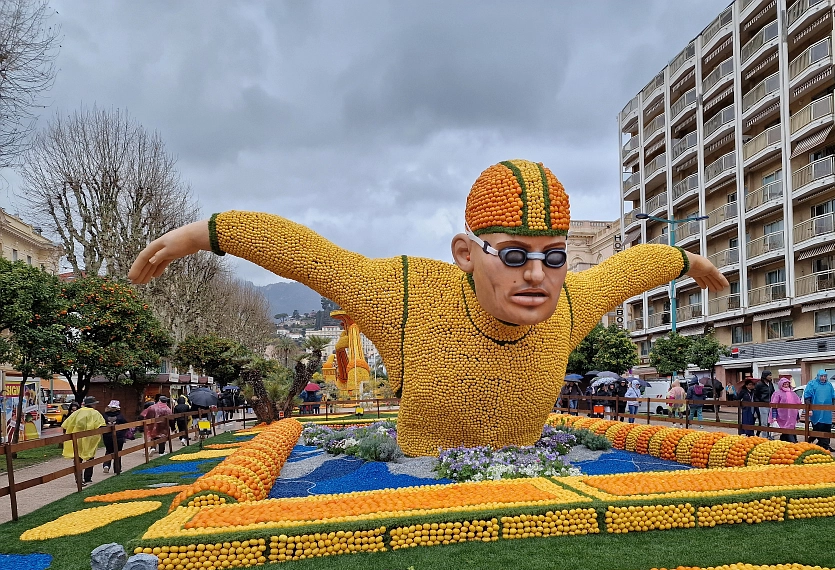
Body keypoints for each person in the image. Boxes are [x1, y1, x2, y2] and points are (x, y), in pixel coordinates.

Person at [128, 159, 728, 456]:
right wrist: (207, 232)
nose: (538, 276)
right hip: (419, 484)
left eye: (555, 255)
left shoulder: (568, 308)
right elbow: (311, 256)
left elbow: (629, 269)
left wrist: (689, 262)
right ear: (466, 253)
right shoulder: (412, 297)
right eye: (515, 254)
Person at [62, 396, 106, 485]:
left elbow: (65, 424)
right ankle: (88, 478)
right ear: (93, 405)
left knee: (77, 460)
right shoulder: (95, 413)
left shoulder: (77, 412)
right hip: (89, 440)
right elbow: (101, 425)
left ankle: (78, 479)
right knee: (90, 458)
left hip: (76, 439)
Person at [803, 370, 835, 452]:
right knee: (818, 427)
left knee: (827, 428)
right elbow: (807, 397)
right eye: (821, 376)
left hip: (827, 411)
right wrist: (809, 409)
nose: (823, 378)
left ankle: (825, 445)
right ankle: (823, 445)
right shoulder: (812, 384)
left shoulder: (829, 385)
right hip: (816, 410)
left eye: (825, 376)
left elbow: (833, 396)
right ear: (818, 376)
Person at [101, 400, 129, 474]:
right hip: (118, 436)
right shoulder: (120, 416)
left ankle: (106, 465)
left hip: (107, 436)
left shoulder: (104, 415)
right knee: (118, 452)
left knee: (108, 450)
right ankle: (117, 468)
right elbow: (126, 425)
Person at [770, 377, 801, 442]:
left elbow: (796, 405)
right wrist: (774, 416)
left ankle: (787, 441)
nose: (786, 386)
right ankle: (793, 442)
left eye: (787, 384)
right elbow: (774, 405)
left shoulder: (793, 393)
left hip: (792, 415)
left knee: (790, 428)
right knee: (786, 429)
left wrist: (797, 416)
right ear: (781, 385)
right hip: (782, 415)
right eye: (784, 384)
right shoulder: (777, 393)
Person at [753, 371, 776, 438]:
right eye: (769, 375)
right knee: (764, 422)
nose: (770, 377)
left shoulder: (770, 384)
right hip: (762, 405)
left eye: (771, 375)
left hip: (770, 404)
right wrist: (759, 403)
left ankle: (769, 435)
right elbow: (755, 395)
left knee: (770, 421)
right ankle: (764, 436)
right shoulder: (759, 384)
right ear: (765, 376)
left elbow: (773, 392)